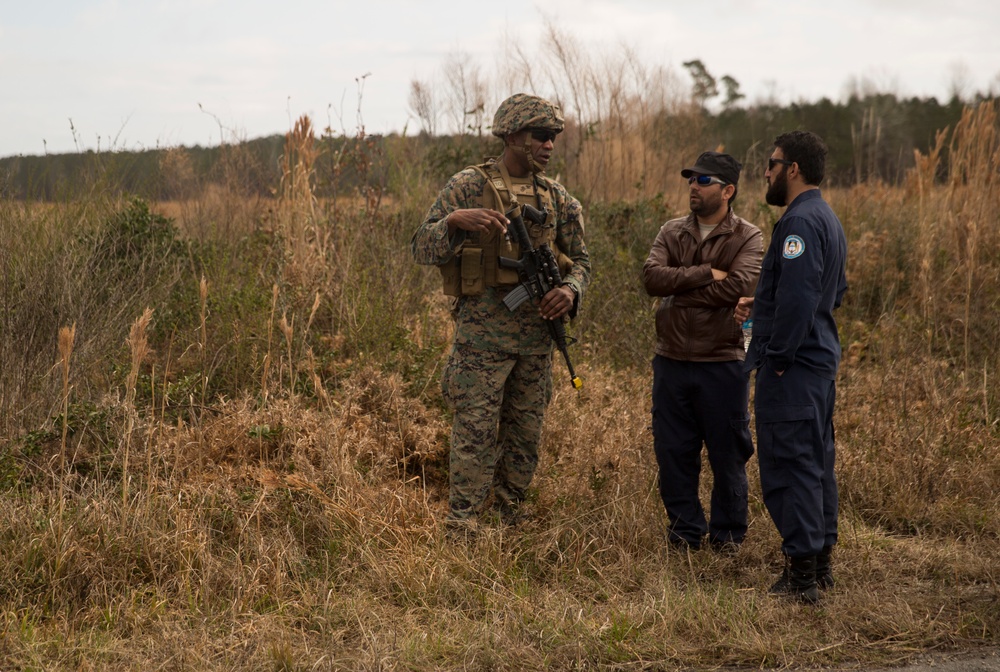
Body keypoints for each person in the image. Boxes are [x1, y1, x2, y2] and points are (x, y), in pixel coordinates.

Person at [411, 93, 591, 533]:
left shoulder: (557, 198)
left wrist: (570, 290)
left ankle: (509, 521)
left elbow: (583, 261)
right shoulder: (469, 185)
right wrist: (455, 222)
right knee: (474, 435)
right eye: (540, 136)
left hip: (536, 342)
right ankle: (463, 528)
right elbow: (421, 246)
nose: (549, 145)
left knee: (525, 438)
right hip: (482, 343)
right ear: (512, 136)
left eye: (553, 138)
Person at [734, 130, 848, 603]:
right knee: (817, 463)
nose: (765, 171)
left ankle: (801, 578)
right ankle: (818, 566)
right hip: (817, 365)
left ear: (792, 169)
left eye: (771, 163)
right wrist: (760, 310)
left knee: (791, 465)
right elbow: (830, 293)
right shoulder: (827, 217)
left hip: (795, 369)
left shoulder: (798, 223)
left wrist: (777, 356)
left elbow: (801, 299)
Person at [642, 151, 763, 552]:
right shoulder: (672, 231)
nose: (694, 186)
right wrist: (705, 274)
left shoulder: (748, 236)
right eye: (692, 179)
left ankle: (728, 537)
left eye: (704, 180)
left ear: (727, 190)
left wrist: (681, 291)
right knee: (674, 451)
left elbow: (741, 286)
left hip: (722, 362)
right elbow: (652, 279)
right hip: (672, 359)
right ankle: (684, 533)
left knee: (728, 452)